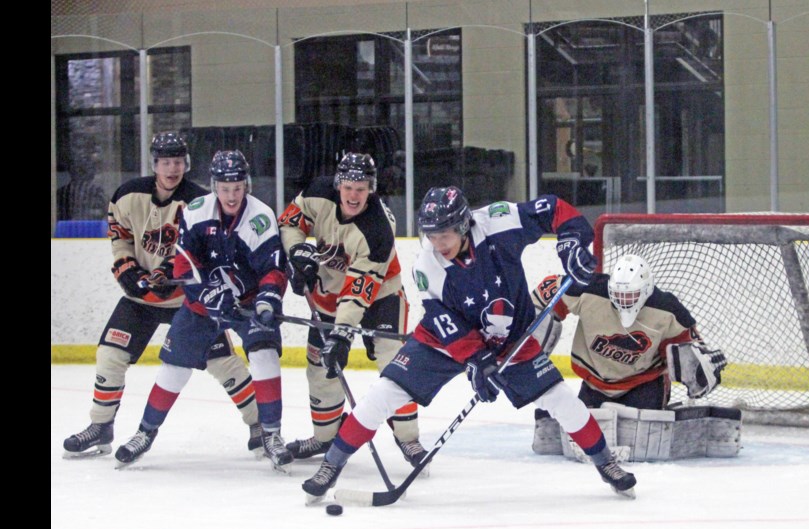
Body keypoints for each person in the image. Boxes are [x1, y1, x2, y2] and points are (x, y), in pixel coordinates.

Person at [301, 186, 637, 502]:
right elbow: (442, 319)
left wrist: (572, 243)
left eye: (443, 234)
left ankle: (606, 463)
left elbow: (554, 208)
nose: (436, 242)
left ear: (463, 224)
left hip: (512, 339)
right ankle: (331, 464)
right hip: (444, 340)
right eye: (430, 234)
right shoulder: (427, 264)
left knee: (561, 398)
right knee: (385, 392)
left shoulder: (498, 222)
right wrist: (477, 359)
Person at [62, 133, 262, 460]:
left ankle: (260, 426)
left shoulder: (199, 202)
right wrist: (127, 272)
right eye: (166, 162)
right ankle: (101, 426)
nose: (173, 168)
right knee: (110, 355)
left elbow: (204, 250)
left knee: (225, 363)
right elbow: (120, 241)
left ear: (187, 164)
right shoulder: (127, 196)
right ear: (154, 164)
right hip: (140, 301)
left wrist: (176, 272)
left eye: (179, 162)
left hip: (189, 301)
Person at [112, 149, 292, 470]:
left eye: (237, 187)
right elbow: (184, 265)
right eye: (225, 188)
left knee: (264, 354)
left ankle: (272, 435)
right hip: (200, 304)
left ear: (246, 184)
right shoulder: (196, 210)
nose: (232, 195)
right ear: (214, 186)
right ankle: (145, 432)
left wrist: (268, 299)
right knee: (174, 367)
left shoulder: (260, 217)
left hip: (247, 303)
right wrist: (208, 295)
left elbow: (274, 269)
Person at [278, 152, 424, 465]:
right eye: (348, 186)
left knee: (394, 361)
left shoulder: (378, 230)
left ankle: (408, 438)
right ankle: (325, 437)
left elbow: (358, 294)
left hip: (381, 296)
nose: (354, 194)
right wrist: (297, 253)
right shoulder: (318, 193)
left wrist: (342, 336)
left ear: (371, 188)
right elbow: (290, 221)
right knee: (320, 368)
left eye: (361, 187)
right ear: (337, 184)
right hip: (329, 293)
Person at [529, 255, 728, 456]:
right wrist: (533, 319)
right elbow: (547, 291)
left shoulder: (669, 310)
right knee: (584, 432)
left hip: (644, 384)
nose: (624, 301)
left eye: (631, 295)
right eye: (618, 294)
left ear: (647, 290)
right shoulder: (590, 289)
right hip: (595, 382)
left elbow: (692, 351)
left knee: (643, 440)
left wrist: (701, 371)